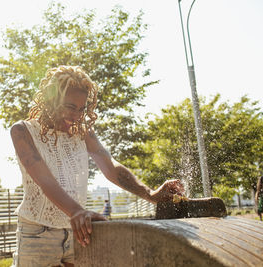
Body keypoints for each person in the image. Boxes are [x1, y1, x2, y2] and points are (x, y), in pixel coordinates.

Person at [10, 66, 185, 267]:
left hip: (77, 232)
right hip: (37, 235)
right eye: (70, 106)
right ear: (51, 100)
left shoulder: (82, 132)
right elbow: (44, 179)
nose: (76, 116)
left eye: (81, 109)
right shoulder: (22, 131)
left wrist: (150, 194)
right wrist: (76, 211)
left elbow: (110, 167)